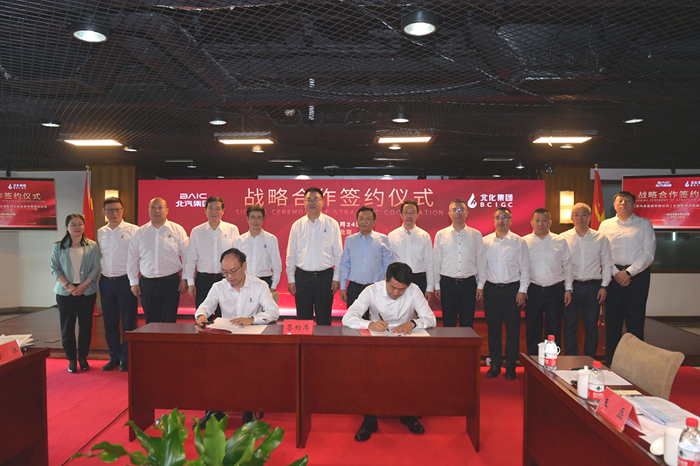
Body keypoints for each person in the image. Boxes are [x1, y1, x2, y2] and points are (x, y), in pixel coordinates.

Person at [342, 262, 437, 441]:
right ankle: (369, 420)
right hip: (378, 341)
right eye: (392, 288)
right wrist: (369, 324)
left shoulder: (414, 290)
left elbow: (431, 319)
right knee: (368, 375)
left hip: (405, 341)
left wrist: (413, 323)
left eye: (401, 290)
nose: (396, 293)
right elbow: (348, 317)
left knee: (412, 374)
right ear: (386, 278)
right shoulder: (372, 291)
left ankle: (408, 414)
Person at [194, 248, 280, 429]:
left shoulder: (259, 285)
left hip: (252, 341)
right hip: (226, 340)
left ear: (244, 266)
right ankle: (215, 410)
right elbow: (203, 308)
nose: (229, 277)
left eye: (233, 271)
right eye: (225, 273)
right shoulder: (218, 287)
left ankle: (249, 409)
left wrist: (252, 319)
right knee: (209, 361)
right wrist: (201, 317)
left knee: (249, 363)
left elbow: (273, 312)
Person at [599, 191, 656, 365]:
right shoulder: (605, 225)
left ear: (634, 204)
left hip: (637, 277)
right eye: (620, 200)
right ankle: (612, 362)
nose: (623, 203)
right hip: (613, 276)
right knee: (613, 322)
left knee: (635, 321)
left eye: (627, 200)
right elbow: (601, 252)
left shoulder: (644, 224)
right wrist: (616, 273)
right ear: (614, 205)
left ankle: (635, 363)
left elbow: (648, 253)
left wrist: (629, 272)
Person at [478, 207, 530, 380]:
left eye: (505, 217)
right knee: (493, 330)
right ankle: (495, 364)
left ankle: (511, 365)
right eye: (497, 217)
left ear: (511, 220)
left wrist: (522, 290)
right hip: (491, 290)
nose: (501, 221)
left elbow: (525, 268)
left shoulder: (519, 242)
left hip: (512, 291)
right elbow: (481, 268)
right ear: (493, 220)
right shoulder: (485, 242)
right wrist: (480, 287)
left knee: (513, 330)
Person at [560, 203, 614, 359]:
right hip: (571, 288)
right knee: (570, 326)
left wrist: (604, 286)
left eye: (584, 214)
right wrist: (566, 288)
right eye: (576, 214)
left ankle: (589, 360)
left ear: (590, 217)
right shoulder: (562, 238)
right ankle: (571, 360)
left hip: (593, 287)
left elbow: (607, 264)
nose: (580, 218)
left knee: (591, 327)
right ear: (571, 217)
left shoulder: (600, 238)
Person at [50, 214, 101, 373]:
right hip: (65, 292)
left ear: (84, 226)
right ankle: (71, 358)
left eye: (80, 224)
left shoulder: (92, 245)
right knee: (67, 327)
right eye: (73, 224)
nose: (77, 227)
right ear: (67, 227)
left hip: (87, 291)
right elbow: (54, 268)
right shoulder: (58, 246)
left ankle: (83, 357)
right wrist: (68, 286)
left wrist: (84, 285)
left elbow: (96, 267)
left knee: (86, 326)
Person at [286, 187, 343, 325]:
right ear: (304, 203)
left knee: (324, 319)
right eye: (308, 199)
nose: (312, 202)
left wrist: (336, 278)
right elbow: (291, 254)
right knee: (303, 319)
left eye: (316, 199)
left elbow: (338, 253)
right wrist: (291, 279)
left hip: (325, 278)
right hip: (302, 278)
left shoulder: (332, 224)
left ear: (322, 202)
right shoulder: (297, 225)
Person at [127, 197, 189, 323]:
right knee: (150, 322)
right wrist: (133, 282)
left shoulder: (177, 230)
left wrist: (185, 278)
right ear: (148, 210)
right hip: (147, 283)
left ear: (167, 210)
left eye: (160, 207)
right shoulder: (140, 232)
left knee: (169, 321)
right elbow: (132, 258)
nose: (156, 211)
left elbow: (187, 256)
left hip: (170, 283)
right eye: (153, 207)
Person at [523, 208, 573, 355]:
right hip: (533, 290)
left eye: (544, 221)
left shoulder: (560, 241)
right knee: (532, 328)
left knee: (554, 328)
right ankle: (533, 360)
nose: (540, 224)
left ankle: (551, 361)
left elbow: (567, 265)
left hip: (555, 290)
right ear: (531, 222)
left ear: (550, 222)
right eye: (537, 220)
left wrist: (568, 289)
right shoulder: (524, 242)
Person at [97, 197, 138, 372]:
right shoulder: (101, 231)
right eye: (110, 210)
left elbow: (137, 257)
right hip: (106, 282)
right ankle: (113, 356)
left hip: (125, 281)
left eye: (118, 210)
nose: (114, 213)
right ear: (104, 212)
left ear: (123, 210)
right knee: (110, 322)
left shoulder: (133, 230)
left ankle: (126, 358)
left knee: (128, 322)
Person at [433, 199, 485, 327]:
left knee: (467, 324)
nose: (458, 212)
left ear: (467, 213)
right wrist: (436, 285)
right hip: (448, 284)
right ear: (449, 213)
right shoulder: (441, 235)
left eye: (461, 209)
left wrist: (480, 285)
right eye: (455, 210)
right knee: (448, 324)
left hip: (469, 285)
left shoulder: (476, 235)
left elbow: (481, 261)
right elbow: (437, 261)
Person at [186, 196, 239, 317]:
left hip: (226, 279)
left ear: (223, 211)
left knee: (225, 318)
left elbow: (237, 258)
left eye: (217, 208)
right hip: (203, 281)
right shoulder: (197, 231)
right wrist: (190, 283)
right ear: (205, 211)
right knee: (204, 317)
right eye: (210, 208)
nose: (214, 211)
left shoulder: (232, 229)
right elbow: (190, 259)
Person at [339, 206, 393, 308]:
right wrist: (343, 287)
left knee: (375, 317)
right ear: (357, 221)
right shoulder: (350, 240)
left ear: (374, 221)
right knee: (353, 317)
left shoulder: (382, 239)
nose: (364, 221)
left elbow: (388, 264)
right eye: (361, 218)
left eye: (368, 218)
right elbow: (345, 264)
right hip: (354, 288)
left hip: (375, 288)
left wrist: (388, 285)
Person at [388, 200, 434, 301]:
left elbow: (429, 262)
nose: (409, 216)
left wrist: (430, 287)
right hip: (398, 281)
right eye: (406, 212)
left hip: (419, 280)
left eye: (413, 213)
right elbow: (389, 262)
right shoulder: (392, 236)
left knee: (418, 310)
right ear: (401, 215)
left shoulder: (424, 236)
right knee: (398, 309)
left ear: (417, 215)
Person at [234, 204, 282, 291]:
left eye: (259, 217)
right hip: (244, 282)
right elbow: (235, 265)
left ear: (263, 219)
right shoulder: (239, 241)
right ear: (247, 219)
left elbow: (276, 266)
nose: (256, 221)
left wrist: (273, 287)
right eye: (252, 217)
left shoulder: (271, 239)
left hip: (265, 282)